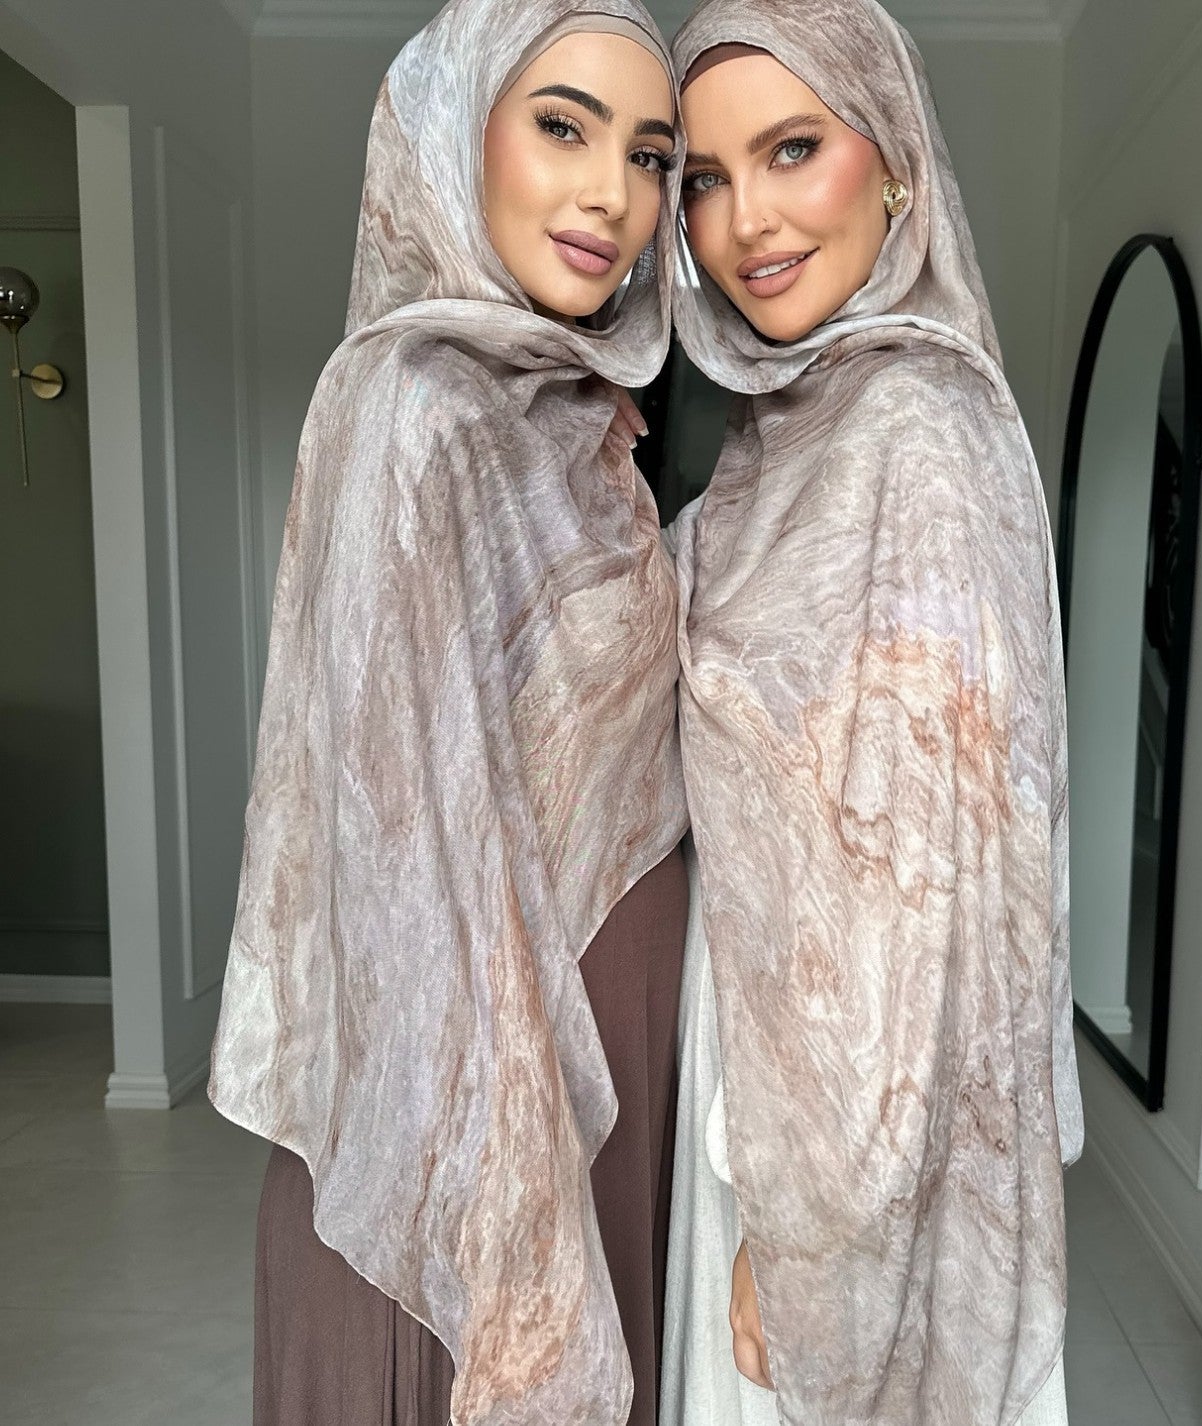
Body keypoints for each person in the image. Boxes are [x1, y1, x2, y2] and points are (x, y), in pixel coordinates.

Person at [207, 3, 689, 1423]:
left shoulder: (567, 410)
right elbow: (409, 860)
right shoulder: (412, 408)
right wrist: (513, 1189)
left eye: (648, 154)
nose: (610, 193)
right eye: (561, 126)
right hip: (481, 1082)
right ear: (454, 131)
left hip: (611, 1036)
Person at [659, 3, 1083, 1423]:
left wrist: (812, 1243)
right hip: (767, 1079)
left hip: (843, 1140)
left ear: (894, 161)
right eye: (706, 179)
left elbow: (915, 909)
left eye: (793, 149)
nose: (746, 222)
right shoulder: (786, 428)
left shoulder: (916, 433)